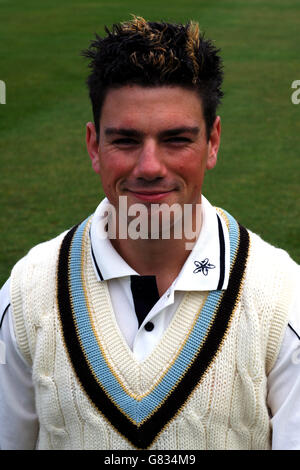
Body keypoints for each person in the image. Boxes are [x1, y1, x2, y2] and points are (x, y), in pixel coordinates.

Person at [0, 16, 299, 451]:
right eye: (125, 140)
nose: (149, 167)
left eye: (176, 139)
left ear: (213, 142)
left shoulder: (282, 299)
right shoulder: (28, 292)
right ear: (93, 146)